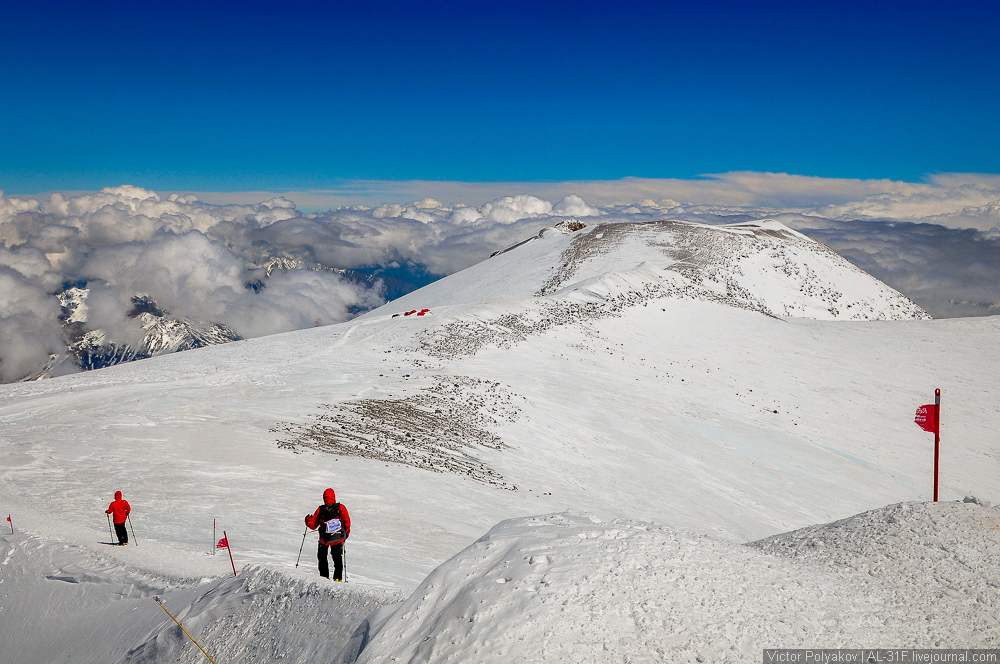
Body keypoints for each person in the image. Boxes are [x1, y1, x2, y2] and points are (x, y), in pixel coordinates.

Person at [305, 488, 350, 581]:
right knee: (337, 557)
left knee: (322, 557)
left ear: (324, 498)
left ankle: (324, 578)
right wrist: (346, 534)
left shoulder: (320, 509)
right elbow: (346, 521)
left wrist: (307, 520)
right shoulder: (340, 508)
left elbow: (313, 525)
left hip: (324, 539)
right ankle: (338, 579)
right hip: (338, 538)